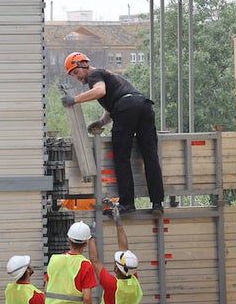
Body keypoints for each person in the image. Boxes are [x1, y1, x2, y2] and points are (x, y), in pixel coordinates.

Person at [62, 51, 166, 217]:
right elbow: (117, 102)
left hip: (127, 108)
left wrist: (74, 100)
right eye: (73, 75)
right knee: (150, 156)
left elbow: (100, 92)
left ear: (84, 65)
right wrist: (102, 122)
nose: (77, 77)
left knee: (121, 155)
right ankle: (157, 203)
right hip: (143, 106)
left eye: (76, 72)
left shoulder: (94, 75)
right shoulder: (107, 75)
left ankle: (127, 203)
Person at [85, 206, 144, 304]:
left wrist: (92, 237)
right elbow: (125, 250)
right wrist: (118, 222)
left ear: (117, 268)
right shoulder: (134, 281)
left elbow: (95, 261)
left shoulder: (112, 285)